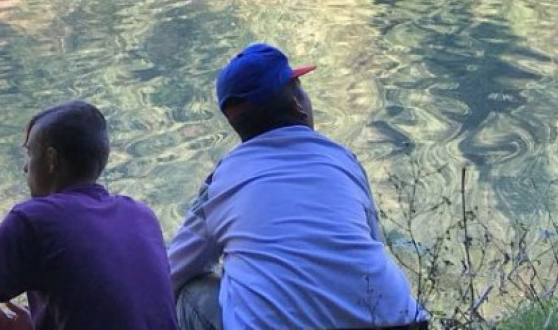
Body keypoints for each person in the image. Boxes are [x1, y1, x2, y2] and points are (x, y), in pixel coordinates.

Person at [168, 43, 430, 330]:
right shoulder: (342, 159)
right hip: (400, 323)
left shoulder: (222, 181)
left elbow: (171, 273)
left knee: (192, 292)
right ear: (297, 106)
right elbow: (371, 243)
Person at [0, 100, 179, 330]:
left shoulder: (33, 220)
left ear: (51, 159)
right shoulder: (142, 215)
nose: (25, 167)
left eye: (29, 154)